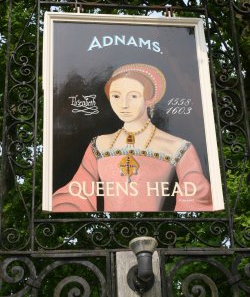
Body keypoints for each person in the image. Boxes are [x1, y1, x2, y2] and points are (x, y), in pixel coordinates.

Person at [53, 63, 212, 212]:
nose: (123, 104)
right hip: (109, 230)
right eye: (116, 96)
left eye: (133, 96)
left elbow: (197, 197)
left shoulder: (178, 146)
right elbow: (77, 193)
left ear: (149, 99)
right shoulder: (99, 144)